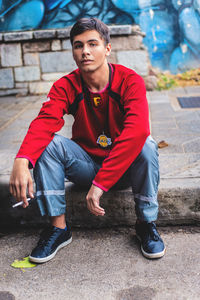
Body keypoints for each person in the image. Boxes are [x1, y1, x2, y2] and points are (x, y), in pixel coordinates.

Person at [9, 17, 165, 263]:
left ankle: (145, 223)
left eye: (93, 44)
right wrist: (22, 159)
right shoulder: (65, 86)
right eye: (78, 45)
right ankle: (58, 229)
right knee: (47, 143)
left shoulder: (130, 80)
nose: (85, 52)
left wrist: (101, 184)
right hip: (86, 167)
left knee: (145, 143)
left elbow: (136, 131)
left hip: (123, 170)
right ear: (73, 51)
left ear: (107, 48)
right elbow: (44, 123)